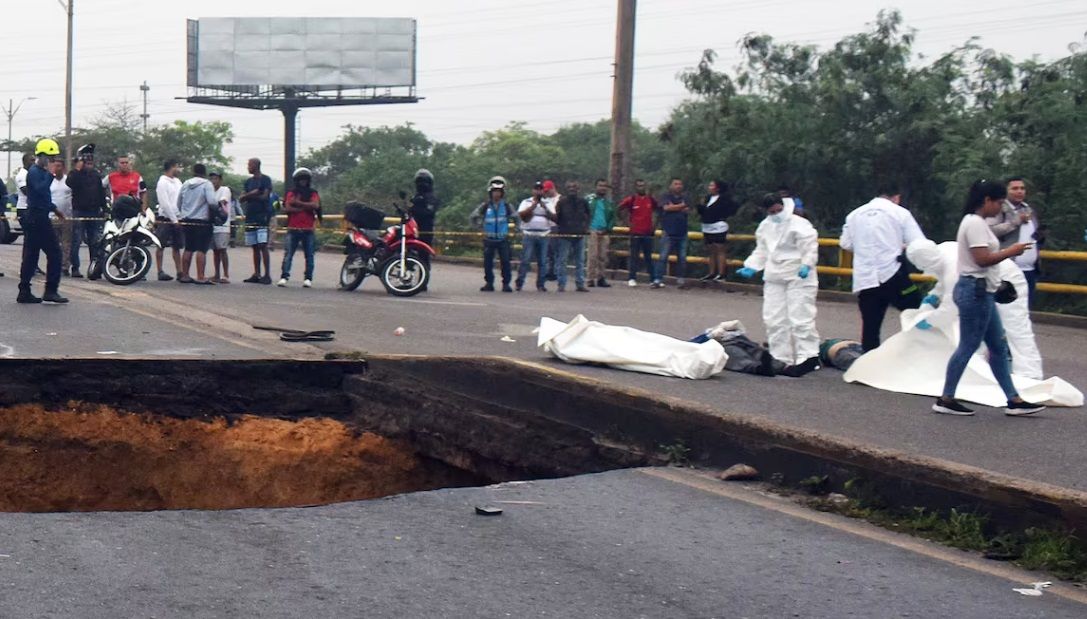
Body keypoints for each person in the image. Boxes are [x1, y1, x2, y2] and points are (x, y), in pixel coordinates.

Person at [933, 180, 1045, 417]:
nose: (1000, 206)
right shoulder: (974, 224)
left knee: (997, 346)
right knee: (969, 345)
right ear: (987, 201)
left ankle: (1013, 399)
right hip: (976, 291)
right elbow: (982, 259)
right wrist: (1011, 251)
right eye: (998, 202)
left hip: (982, 290)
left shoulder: (978, 223)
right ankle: (946, 397)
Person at [907, 238, 1043, 380]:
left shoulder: (952, 266)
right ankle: (981, 373)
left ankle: (1030, 376)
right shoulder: (943, 249)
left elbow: (950, 307)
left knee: (1016, 328)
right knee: (977, 329)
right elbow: (945, 281)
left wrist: (929, 319)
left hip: (1005, 280)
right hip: (982, 283)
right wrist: (934, 296)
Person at [736, 193, 821, 374]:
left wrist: (807, 264)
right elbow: (762, 250)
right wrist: (751, 266)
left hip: (799, 274)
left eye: (778, 210)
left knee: (801, 317)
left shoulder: (799, 224)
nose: (776, 213)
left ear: (782, 206)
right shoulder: (766, 226)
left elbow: (810, 246)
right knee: (774, 318)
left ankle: (809, 357)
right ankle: (780, 357)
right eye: (772, 211)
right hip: (775, 274)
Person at [839, 182, 926, 351]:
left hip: (866, 279)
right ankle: (920, 355)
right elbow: (919, 243)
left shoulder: (854, 215)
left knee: (870, 327)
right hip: (893, 274)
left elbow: (845, 243)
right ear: (896, 197)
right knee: (917, 314)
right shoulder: (900, 213)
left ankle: (869, 370)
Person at [17, 139, 68, 304]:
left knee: (31, 256)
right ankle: (50, 290)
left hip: (38, 216)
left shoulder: (39, 172)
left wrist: (55, 210)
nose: (53, 161)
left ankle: (24, 290)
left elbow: (43, 198)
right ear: (43, 156)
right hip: (36, 218)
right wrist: (51, 174)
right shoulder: (35, 172)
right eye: (51, 157)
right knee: (54, 253)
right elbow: (40, 190)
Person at [988, 177, 1042, 306]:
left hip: (1030, 269)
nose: (1019, 191)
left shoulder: (1029, 209)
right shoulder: (1000, 209)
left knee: (1025, 308)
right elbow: (990, 231)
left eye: (1022, 188)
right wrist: (1015, 222)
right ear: (1006, 191)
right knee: (1008, 308)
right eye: (1015, 188)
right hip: (1009, 267)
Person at [66, 144, 107, 278]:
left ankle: (94, 269)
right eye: (86, 160)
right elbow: (70, 183)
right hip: (79, 212)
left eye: (91, 161)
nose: (89, 163)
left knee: (95, 241)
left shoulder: (96, 175)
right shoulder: (74, 174)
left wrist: (105, 209)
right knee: (76, 241)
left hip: (94, 212)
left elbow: (101, 193)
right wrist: (77, 169)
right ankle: (75, 268)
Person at [469, 176, 516, 292]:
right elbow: (473, 217)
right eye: (495, 191)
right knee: (488, 263)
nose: (497, 194)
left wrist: (515, 230)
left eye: (499, 192)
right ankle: (489, 283)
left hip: (503, 239)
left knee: (505, 262)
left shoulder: (507, 206)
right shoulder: (485, 206)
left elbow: (517, 218)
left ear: (502, 193)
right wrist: (479, 227)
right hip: (489, 239)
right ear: (490, 192)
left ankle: (506, 284)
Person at [176, 164, 219, 285]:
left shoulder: (185, 184)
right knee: (201, 249)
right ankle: (200, 276)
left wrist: (183, 213)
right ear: (204, 173)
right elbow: (211, 202)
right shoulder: (207, 184)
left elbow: (178, 202)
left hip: (187, 220)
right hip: (202, 221)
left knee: (188, 248)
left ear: (193, 172)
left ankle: (185, 275)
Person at [278, 168, 320, 288]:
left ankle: (308, 278)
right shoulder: (291, 193)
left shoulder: (313, 192)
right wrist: (306, 207)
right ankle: (284, 277)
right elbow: (288, 208)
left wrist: (298, 203)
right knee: (288, 254)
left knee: (310, 255)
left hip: (308, 229)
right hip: (293, 228)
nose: (303, 182)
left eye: (305, 179)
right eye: (301, 179)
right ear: (297, 180)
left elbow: (316, 205)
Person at [514, 181, 556, 292]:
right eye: (536, 189)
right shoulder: (526, 202)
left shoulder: (548, 202)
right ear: (533, 191)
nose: (538, 191)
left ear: (543, 191)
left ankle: (541, 284)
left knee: (542, 261)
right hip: (529, 234)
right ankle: (519, 283)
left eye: (540, 189)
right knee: (525, 260)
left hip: (544, 234)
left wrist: (544, 208)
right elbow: (521, 215)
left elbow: (554, 217)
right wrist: (533, 206)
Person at [617, 179, 659, 287]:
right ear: (636, 187)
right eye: (639, 186)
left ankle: (653, 279)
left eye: (643, 185)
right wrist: (626, 223)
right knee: (634, 256)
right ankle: (632, 278)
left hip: (647, 232)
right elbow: (619, 208)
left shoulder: (650, 199)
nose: (641, 188)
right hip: (635, 232)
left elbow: (659, 209)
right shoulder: (632, 199)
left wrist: (654, 225)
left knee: (648, 257)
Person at [239, 158, 273, 284]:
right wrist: (253, 193)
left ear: (256, 165)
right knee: (254, 245)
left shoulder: (265, 179)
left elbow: (265, 196)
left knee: (262, 245)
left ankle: (267, 274)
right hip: (250, 216)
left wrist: (249, 195)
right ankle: (257, 273)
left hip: (262, 216)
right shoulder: (248, 181)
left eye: (249, 165)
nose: (248, 167)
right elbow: (241, 198)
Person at [697, 180, 739, 281]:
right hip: (707, 225)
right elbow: (702, 211)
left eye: (712, 185)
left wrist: (724, 215)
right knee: (711, 250)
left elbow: (733, 208)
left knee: (720, 248)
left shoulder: (724, 199)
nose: (709, 187)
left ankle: (721, 273)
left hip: (718, 225)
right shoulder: (708, 198)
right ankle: (711, 273)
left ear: (718, 188)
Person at [554, 180, 591, 292]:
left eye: (574, 187)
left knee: (580, 261)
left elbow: (588, 215)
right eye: (569, 187)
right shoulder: (561, 202)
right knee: (562, 260)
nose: (572, 189)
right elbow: (557, 217)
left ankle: (580, 283)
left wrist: (585, 228)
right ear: (566, 189)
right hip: (564, 235)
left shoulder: (583, 202)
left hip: (579, 235)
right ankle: (561, 284)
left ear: (578, 189)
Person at [655, 178, 690, 289]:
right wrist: (681, 206)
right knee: (663, 257)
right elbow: (666, 207)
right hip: (668, 232)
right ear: (671, 186)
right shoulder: (665, 196)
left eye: (680, 184)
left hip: (682, 232)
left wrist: (673, 207)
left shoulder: (686, 197)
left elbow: (688, 209)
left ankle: (681, 280)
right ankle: (658, 279)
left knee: (682, 258)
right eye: (675, 184)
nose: (678, 186)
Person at [153, 159, 184, 281]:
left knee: (176, 246)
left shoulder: (178, 182)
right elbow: (164, 203)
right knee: (161, 244)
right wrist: (173, 219)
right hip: (165, 218)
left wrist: (179, 217)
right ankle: (160, 271)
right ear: (172, 167)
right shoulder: (162, 182)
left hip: (178, 217)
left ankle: (179, 272)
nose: (179, 170)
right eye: (177, 166)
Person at [586, 178, 615, 288]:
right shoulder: (590, 200)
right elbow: (584, 213)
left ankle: (601, 277)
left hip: (604, 231)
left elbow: (612, 217)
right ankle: (590, 278)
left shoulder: (609, 203)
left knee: (603, 256)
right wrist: (587, 227)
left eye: (604, 186)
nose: (602, 188)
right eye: (600, 185)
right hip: (592, 230)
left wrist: (608, 228)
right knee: (592, 255)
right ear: (595, 187)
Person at [50, 159, 74, 276]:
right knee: (53, 244)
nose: (56, 168)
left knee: (66, 244)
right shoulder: (49, 181)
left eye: (59, 166)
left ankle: (64, 266)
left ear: (63, 168)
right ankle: (54, 266)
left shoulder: (68, 181)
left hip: (67, 218)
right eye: (55, 166)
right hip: (52, 217)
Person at [210, 171, 233, 284]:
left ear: (220, 180)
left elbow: (222, 201)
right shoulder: (210, 191)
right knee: (215, 251)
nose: (214, 181)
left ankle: (226, 274)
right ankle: (217, 274)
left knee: (222, 250)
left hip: (223, 225)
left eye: (216, 179)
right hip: (213, 225)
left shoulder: (225, 190)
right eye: (212, 179)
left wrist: (211, 204)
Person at [410, 169, 441, 249]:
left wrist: (414, 209)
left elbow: (429, 212)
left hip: (425, 231)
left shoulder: (431, 198)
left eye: (424, 181)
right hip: (412, 229)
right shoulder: (415, 197)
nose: (421, 184)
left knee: (424, 252)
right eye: (419, 181)